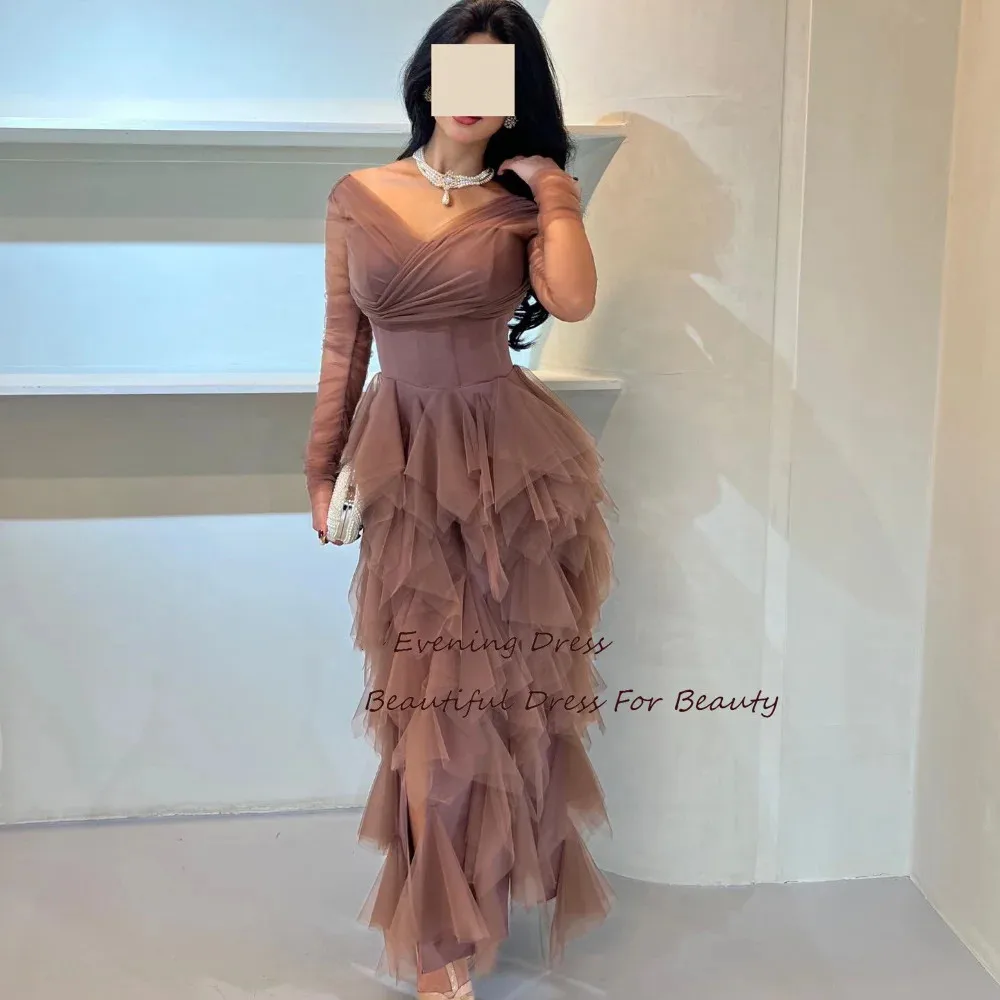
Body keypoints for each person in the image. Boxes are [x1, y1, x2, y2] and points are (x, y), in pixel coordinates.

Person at [304, 3, 616, 997]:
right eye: (462, 72)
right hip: (404, 466)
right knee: (425, 704)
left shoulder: (522, 209)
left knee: (493, 703)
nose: (476, 98)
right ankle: (439, 934)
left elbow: (573, 300)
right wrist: (320, 469)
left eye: (501, 79)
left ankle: (470, 902)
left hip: (509, 470)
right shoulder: (359, 196)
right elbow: (344, 345)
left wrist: (556, 192)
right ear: (428, 79)